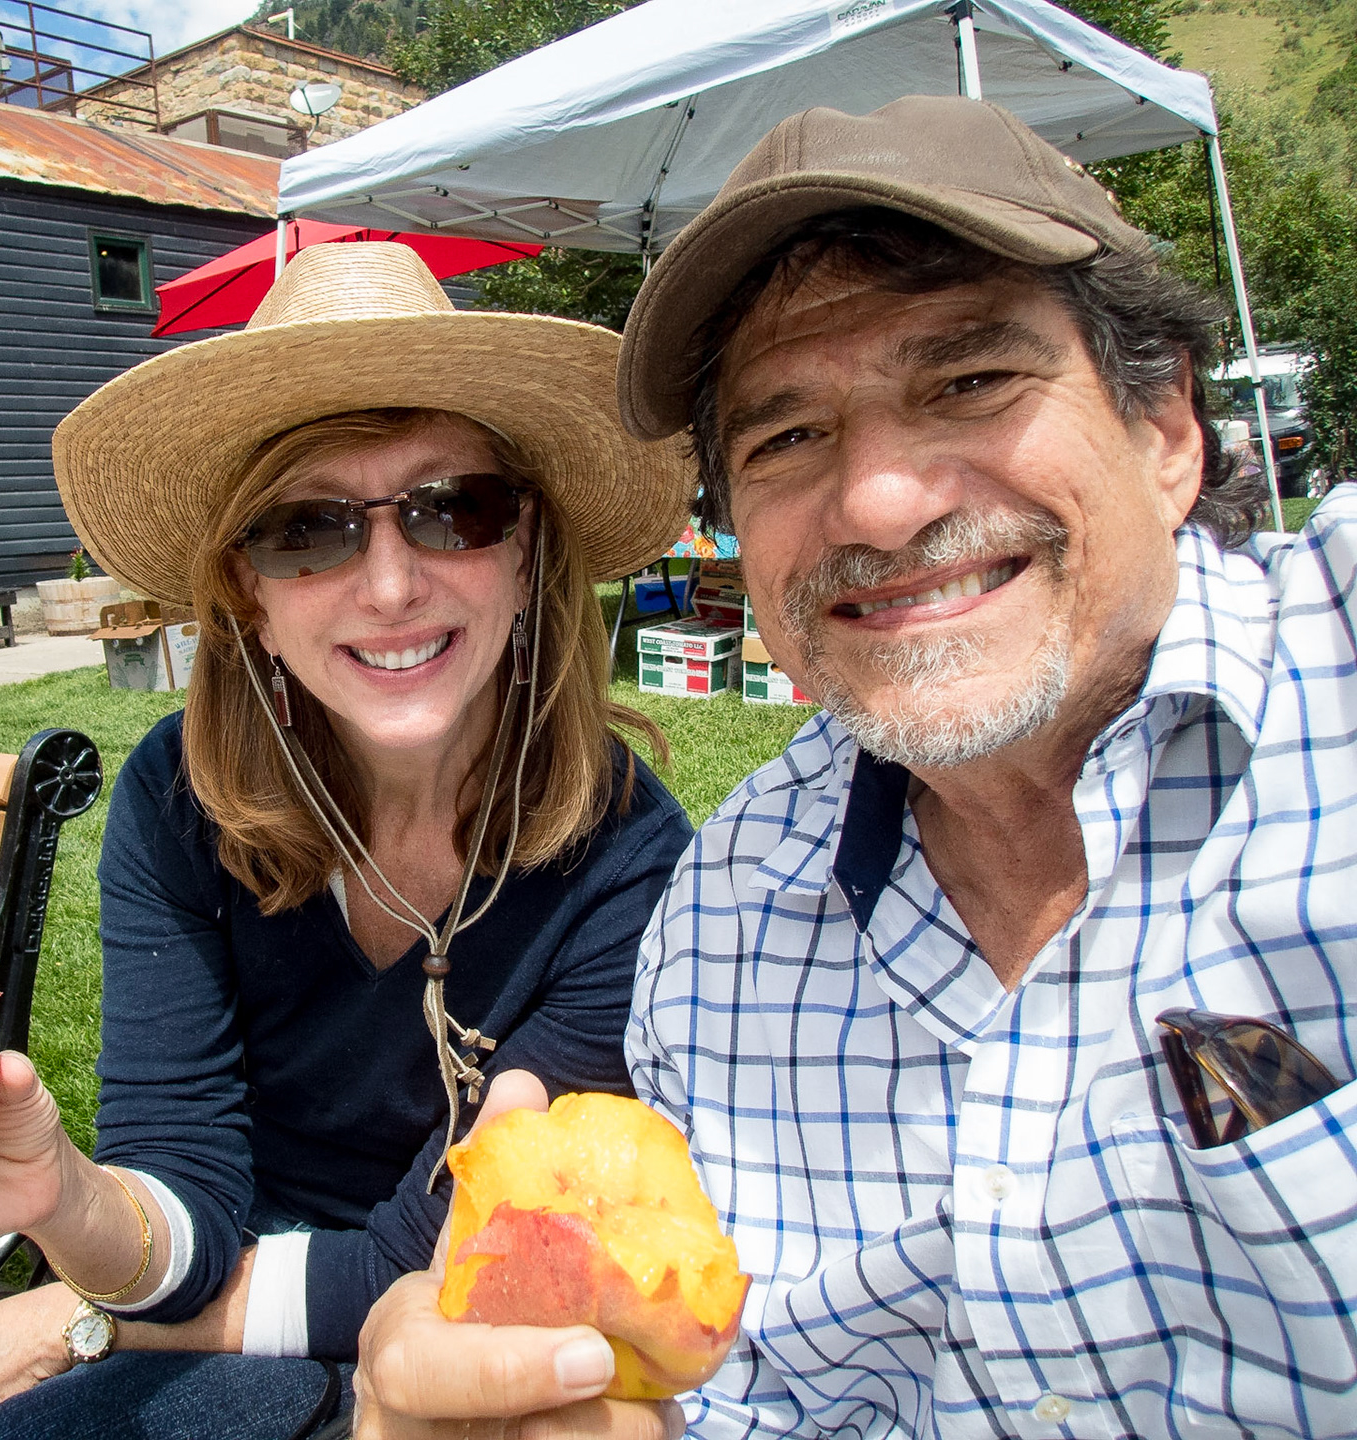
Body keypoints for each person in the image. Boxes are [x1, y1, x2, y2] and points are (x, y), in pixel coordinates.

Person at [352, 95, 1357, 1440]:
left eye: (968, 381)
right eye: (787, 439)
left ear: (1167, 429)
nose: (881, 501)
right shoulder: (722, 929)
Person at [0, 240, 696, 1440]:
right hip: (247, 1316)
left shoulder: (628, 852)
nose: (388, 583)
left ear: (526, 553)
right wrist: (66, 1199)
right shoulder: (175, 801)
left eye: (451, 509)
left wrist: (78, 1315)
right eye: (306, 530)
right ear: (247, 598)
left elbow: (446, 1262)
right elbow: (185, 1201)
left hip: (463, 1356)